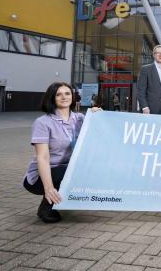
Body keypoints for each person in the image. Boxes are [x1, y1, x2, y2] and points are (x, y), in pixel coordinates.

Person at [22, 82, 101, 223]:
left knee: (89, 169)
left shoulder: (80, 119)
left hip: (68, 169)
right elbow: (43, 157)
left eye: (67, 93)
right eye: (58, 94)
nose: (64, 97)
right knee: (71, 171)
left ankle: (64, 198)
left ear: (73, 96)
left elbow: (101, 132)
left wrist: (98, 116)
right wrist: (49, 187)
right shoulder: (43, 122)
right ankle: (46, 206)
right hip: (42, 176)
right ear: (51, 98)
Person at [136, 45, 161, 115]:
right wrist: (144, 107)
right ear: (154, 55)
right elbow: (140, 91)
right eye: (158, 53)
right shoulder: (146, 69)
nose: (160, 55)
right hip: (150, 108)